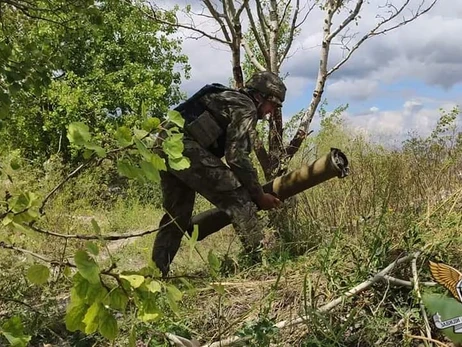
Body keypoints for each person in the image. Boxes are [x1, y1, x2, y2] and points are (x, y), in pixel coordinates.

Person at [152, 71, 287, 277]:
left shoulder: (229, 97)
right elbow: (237, 157)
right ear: (260, 97)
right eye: (272, 105)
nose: (270, 112)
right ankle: (260, 267)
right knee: (240, 198)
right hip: (184, 148)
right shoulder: (246, 106)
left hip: (164, 146)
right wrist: (259, 195)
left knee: (177, 216)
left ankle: (155, 275)